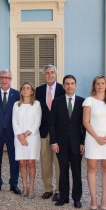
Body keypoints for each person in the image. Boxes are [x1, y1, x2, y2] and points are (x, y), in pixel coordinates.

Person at [83, 75, 106, 210]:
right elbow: (85, 121)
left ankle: (104, 198)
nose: (100, 86)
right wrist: (97, 137)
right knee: (91, 168)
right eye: (98, 83)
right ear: (94, 86)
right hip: (93, 138)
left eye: (102, 83)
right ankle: (93, 198)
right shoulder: (89, 101)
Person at [49, 75, 85, 208]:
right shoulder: (57, 102)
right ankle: (63, 197)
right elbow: (51, 123)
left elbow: (84, 125)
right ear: (63, 86)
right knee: (63, 171)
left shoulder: (82, 102)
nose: (69, 86)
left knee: (76, 172)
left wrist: (83, 142)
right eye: (67, 84)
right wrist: (53, 142)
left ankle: (77, 198)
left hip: (76, 144)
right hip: (61, 144)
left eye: (72, 83)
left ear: (75, 85)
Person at [0, 69, 21, 195]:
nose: (4, 80)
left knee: (14, 158)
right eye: (2, 77)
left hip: (13, 132)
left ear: (10, 79)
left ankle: (14, 184)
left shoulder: (17, 94)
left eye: (7, 77)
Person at [35, 64, 65, 201]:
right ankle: (48, 188)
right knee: (45, 162)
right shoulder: (39, 90)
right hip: (44, 132)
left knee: (59, 162)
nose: (50, 75)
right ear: (44, 75)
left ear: (56, 74)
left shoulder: (62, 89)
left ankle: (59, 190)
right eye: (47, 73)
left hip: (59, 132)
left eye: (52, 72)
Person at [12, 82, 41, 199]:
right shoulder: (16, 105)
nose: (25, 90)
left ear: (32, 91)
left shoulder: (36, 104)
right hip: (19, 138)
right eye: (23, 88)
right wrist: (20, 136)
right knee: (22, 162)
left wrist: (26, 134)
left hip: (32, 137)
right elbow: (14, 121)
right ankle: (24, 187)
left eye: (28, 88)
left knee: (31, 162)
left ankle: (32, 188)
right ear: (21, 91)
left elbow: (37, 121)